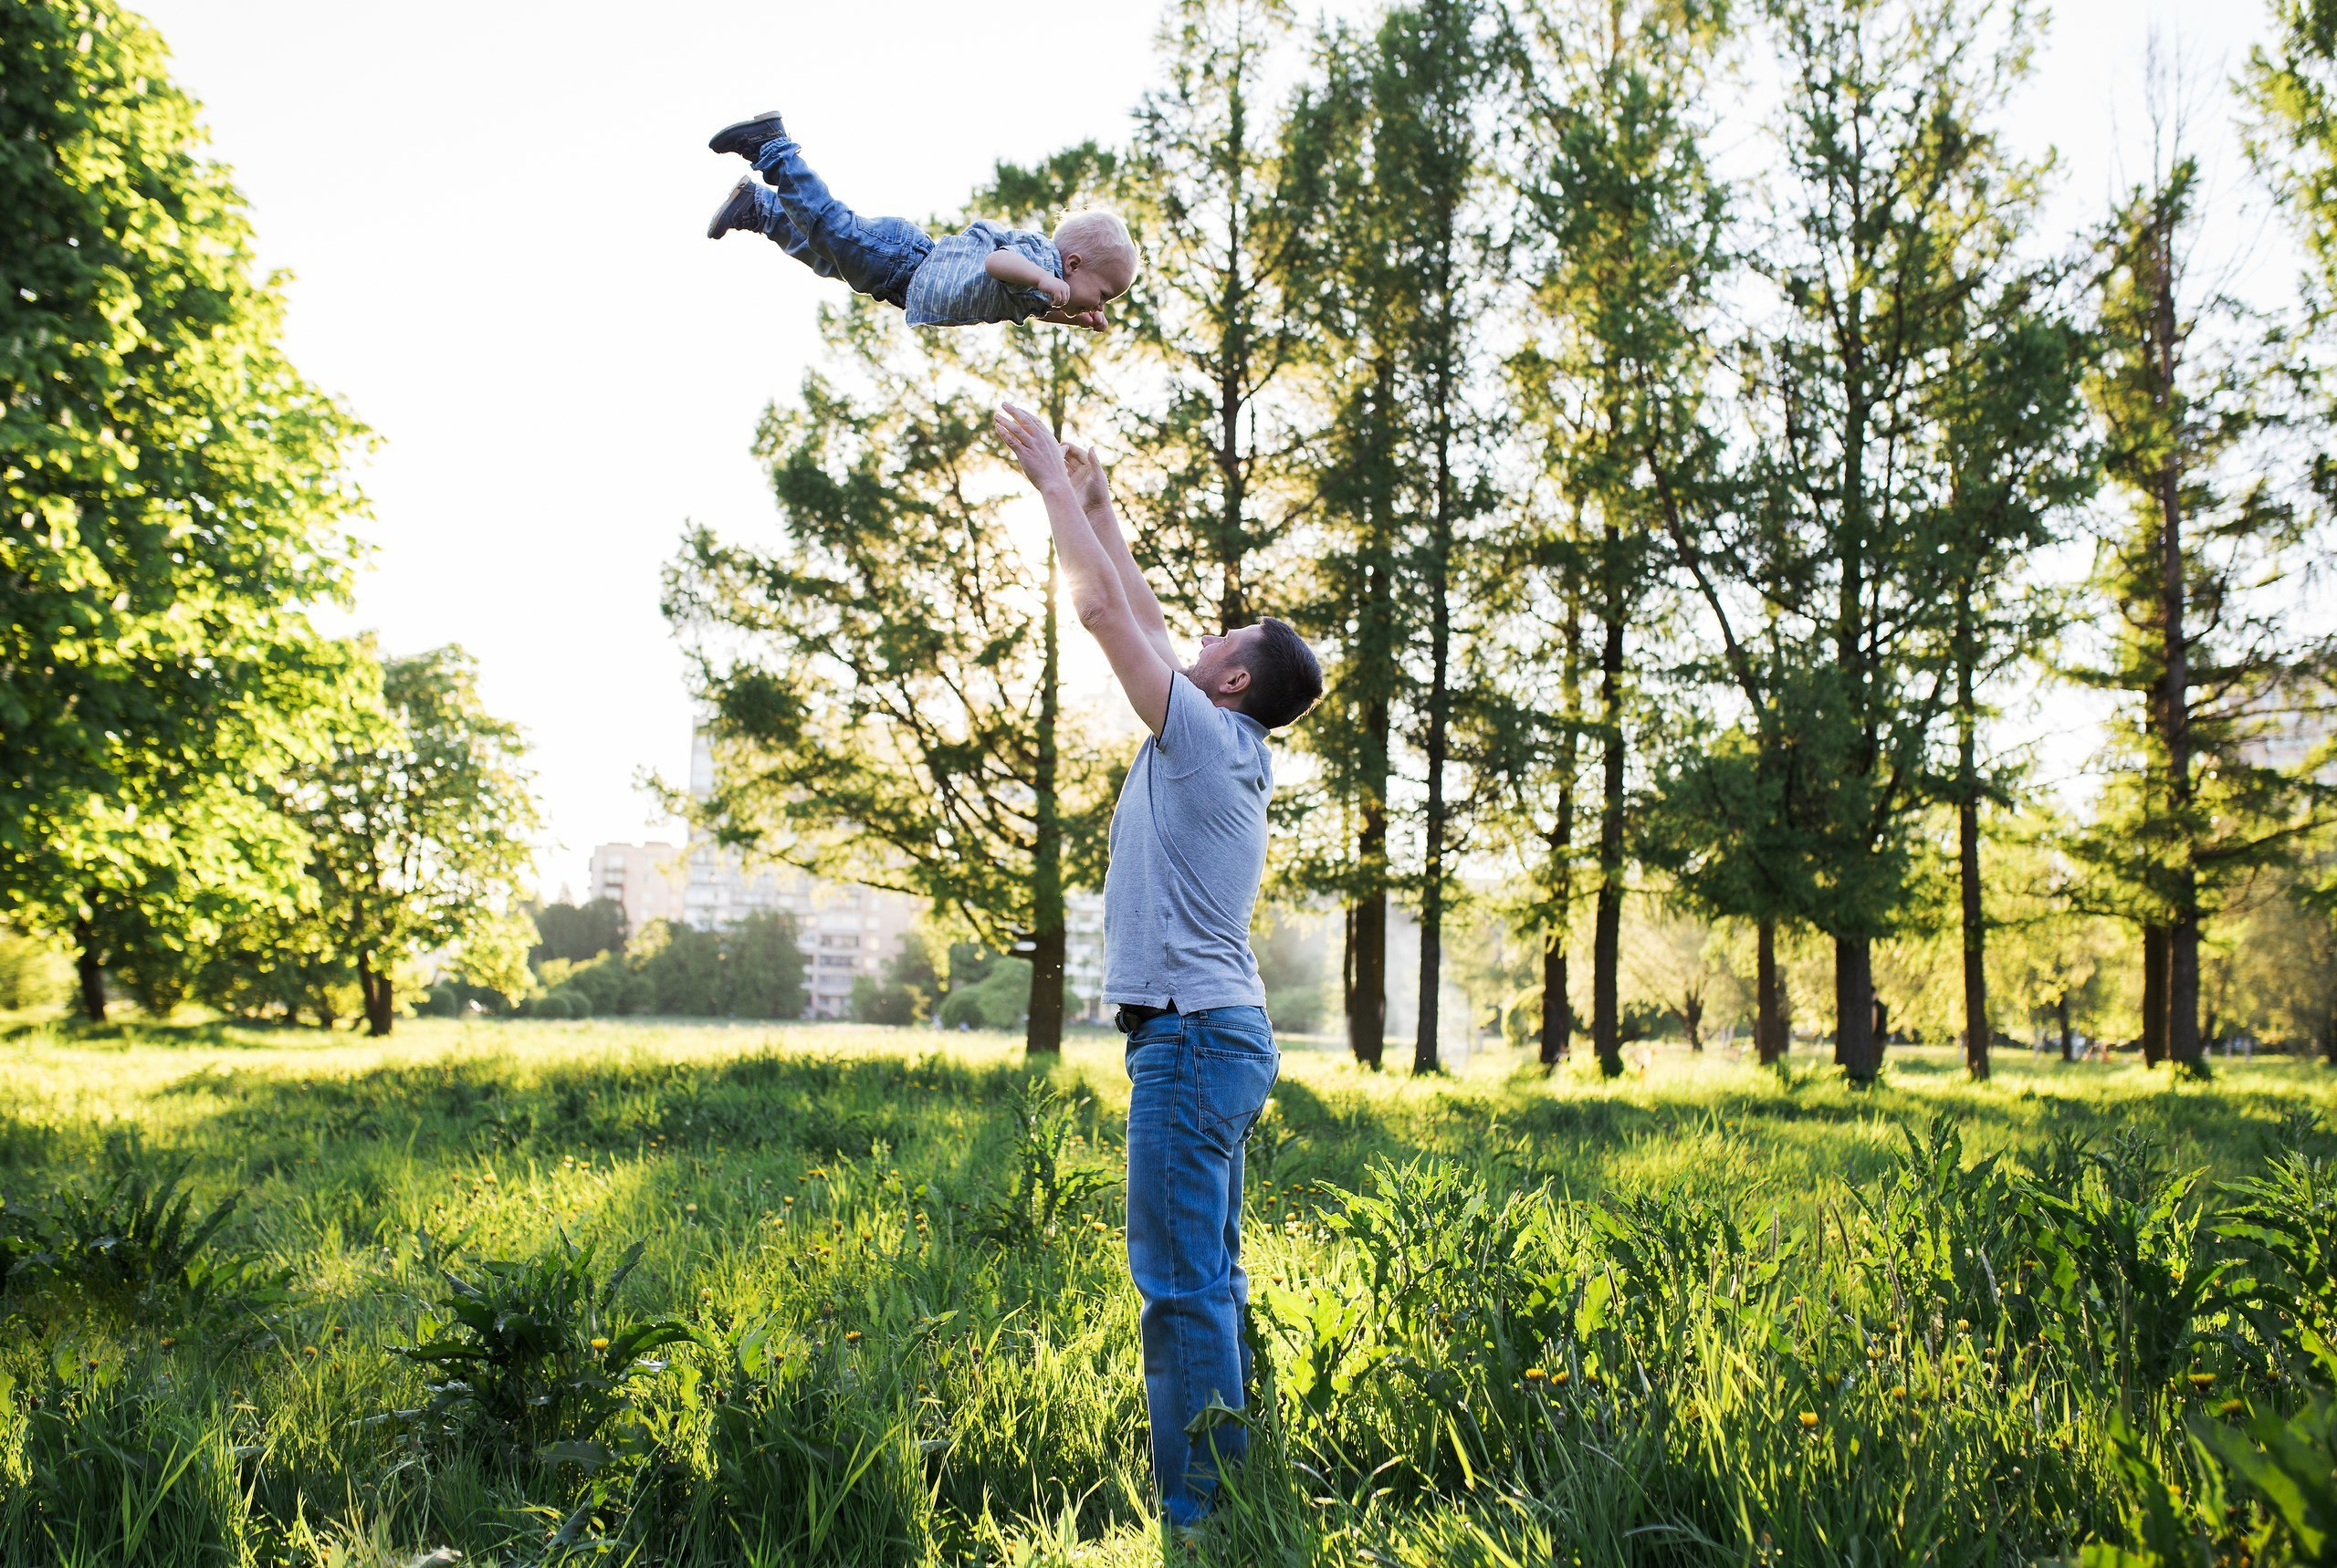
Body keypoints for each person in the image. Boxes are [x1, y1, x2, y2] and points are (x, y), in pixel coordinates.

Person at [990, 402, 1323, 1533]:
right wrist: (1097, 502)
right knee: (1208, 1280)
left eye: (1226, 640)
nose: (1206, 637)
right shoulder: (1221, 735)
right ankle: (1229, 1495)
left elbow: (1096, 610)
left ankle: (1200, 1520)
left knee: (1179, 1288)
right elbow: (1135, 603)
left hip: (1187, 1039)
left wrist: (1045, 486)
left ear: (1231, 683)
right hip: (1215, 1033)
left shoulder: (1198, 734)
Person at [705, 110, 1137, 331]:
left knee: (822, 253)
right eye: (1103, 295)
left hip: (899, 281)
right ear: (1075, 263)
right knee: (827, 226)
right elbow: (997, 264)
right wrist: (1044, 280)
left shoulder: (1045, 288)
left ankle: (759, 209)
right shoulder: (1039, 258)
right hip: (903, 261)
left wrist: (1072, 317)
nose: (1100, 306)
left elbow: (1040, 307)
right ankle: (773, 146)